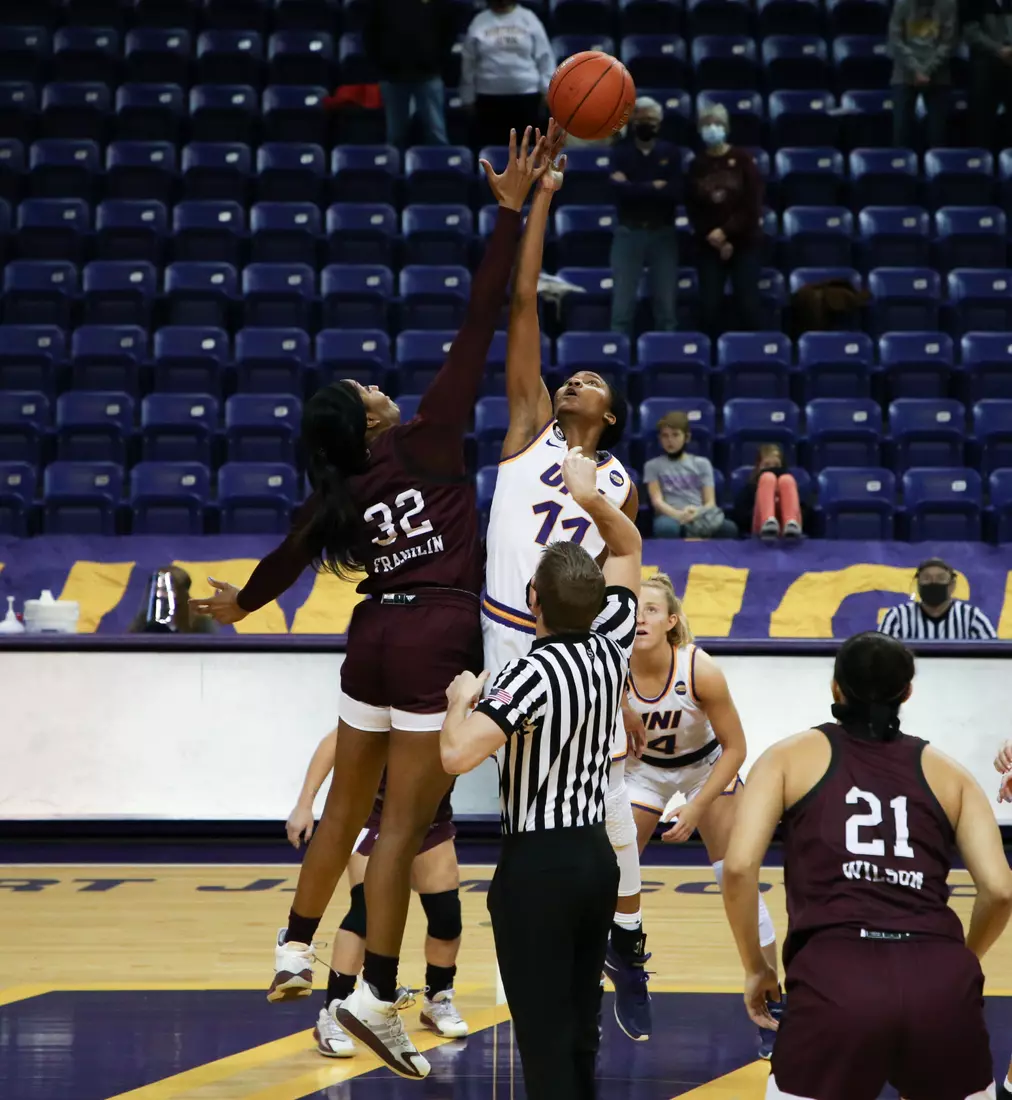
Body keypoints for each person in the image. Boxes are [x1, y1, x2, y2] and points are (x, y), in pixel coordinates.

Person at [190, 128, 551, 1081]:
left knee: (351, 806)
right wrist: (509, 211)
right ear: (372, 420)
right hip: (435, 631)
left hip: (371, 633)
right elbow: (481, 318)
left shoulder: (340, 490)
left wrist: (238, 609)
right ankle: (374, 997)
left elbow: (282, 560)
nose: (376, 383)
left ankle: (294, 945)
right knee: (399, 831)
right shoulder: (428, 437)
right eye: (365, 388)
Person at [481, 125, 650, 1038]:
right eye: (569, 375)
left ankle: (622, 940)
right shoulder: (527, 431)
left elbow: (622, 578)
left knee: (602, 796)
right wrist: (540, 198)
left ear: (610, 415)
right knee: (531, 807)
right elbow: (520, 307)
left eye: (590, 381)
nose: (574, 375)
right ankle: (552, 959)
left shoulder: (620, 479)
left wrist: (619, 680)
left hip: (583, 644)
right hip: (511, 630)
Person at [721, 631, 1012, 1099]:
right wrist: (960, 960)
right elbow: (1000, 890)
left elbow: (738, 868)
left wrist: (758, 967)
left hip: (835, 976)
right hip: (939, 982)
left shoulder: (786, 758)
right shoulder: (951, 773)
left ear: (835, 687)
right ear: (908, 693)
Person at [441, 445, 642, 1100]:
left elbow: (456, 756)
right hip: (594, 858)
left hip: (539, 867)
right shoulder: (613, 638)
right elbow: (630, 545)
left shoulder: (531, 672)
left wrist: (457, 701)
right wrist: (589, 498)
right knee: (581, 1027)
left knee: (543, 1036)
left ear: (534, 601)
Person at [622, 573, 782, 1057]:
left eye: (651, 610)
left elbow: (736, 748)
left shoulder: (699, 668)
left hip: (705, 767)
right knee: (607, 879)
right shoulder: (609, 665)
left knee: (738, 878)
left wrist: (696, 806)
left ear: (671, 622)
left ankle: (771, 1000)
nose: (640, 618)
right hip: (641, 772)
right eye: (634, 609)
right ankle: (623, 980)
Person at [286, 729, 468, 1058]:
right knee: (366, 912)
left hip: (430, 823)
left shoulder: (461, 705)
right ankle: (333, 1014)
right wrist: (304, 804)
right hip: (374, 819)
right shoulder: (395, 700)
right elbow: (334, 742)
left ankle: (437, 1001)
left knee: (447, 917)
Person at [684, 102, 763, 339]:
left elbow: (752, 205)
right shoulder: (696, 165)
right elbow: (693, 208)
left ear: (726, 128)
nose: (712, 128)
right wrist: (715, 237)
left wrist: (727, 233)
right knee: (709, 308)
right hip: (709, 245)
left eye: (717, 123)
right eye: (707, 124)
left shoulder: (743, 160)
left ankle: (752, 358)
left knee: (748, 306)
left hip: (744, 243)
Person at [609, 96, 679, 337]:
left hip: (663, 234)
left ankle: (667, 362)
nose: (646, 124)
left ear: (659, 123)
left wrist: (634, 186)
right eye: (641, 119)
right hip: (629, 232)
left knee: (666, 308)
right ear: (633, 122)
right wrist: (654, 187)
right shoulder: (620, 153)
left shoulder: (671, 153)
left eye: (651, 119)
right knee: (622, 308)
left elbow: (675, 192)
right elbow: (619, 192)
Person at [460, 1, 555, 151]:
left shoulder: (528, 18)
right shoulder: (479, 22)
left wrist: (546, 90)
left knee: (526, 153)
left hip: (527, 97)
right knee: (493, 153)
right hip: (488, 100)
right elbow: (468, 63)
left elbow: (545, 58)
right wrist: (467, 96)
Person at [364, 0, 453, 148]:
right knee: (395, 134)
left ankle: (442, 169)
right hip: (393, 76)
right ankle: (394, 168)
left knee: (436, 133)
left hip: (428, 75)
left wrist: (435, 62)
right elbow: (370, 34)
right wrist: (384, 64)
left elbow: (448, 31)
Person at [644, 411, 737, 539]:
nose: (670, 440)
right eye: (665, 436)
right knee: (666, 528)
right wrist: (679, 515)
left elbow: (710, 502)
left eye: (675, 435)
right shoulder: (652, 466)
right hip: (669, 516)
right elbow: (657, 502)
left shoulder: (702, 464)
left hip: (698, 514)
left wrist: (696, 513)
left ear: (686, 437)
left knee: (729, 529)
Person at [888, 0, 956, 149]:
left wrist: (926, 70)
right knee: (901, 132)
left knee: (938, 135)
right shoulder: (902, 4)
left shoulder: (948, 4)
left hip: (938, 75)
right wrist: (916, 69)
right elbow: (896, 41)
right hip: (904, 74)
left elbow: (948, 42)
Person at [878, 557, 998, 640]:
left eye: (941, 578)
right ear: (918, 584)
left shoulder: (972, 617)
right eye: (926, 578)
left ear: (952, 585)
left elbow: (995, 657)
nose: (933, 583)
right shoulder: (896, 617)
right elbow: (881, 656)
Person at [964, 0, 1012, 152]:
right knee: (982, 125)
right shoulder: (973, 3)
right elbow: (971, 33)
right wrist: (999, 49)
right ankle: (981, 166)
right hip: (984, 70)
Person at [731, 443, 802, 540]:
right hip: (761, 528)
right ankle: (768, 522)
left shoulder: (789, 485)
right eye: (767, 465)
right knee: (767, 478)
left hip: (789, 526)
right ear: (758, 467)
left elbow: (804, 510)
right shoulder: (751, 487)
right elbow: (740, 515)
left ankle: (790, 524)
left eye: (776, 465)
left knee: (787, 480)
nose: (773, 469)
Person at [129, 566, 216, 633]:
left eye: (164, 590)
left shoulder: (201, 622)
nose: (159, 594)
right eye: (155, 589)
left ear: (182, 593)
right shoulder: (144, 621)